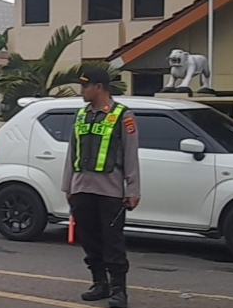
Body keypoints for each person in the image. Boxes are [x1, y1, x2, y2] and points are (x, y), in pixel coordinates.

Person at [61, 68, 141, 308]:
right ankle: (99, 283)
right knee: (89, 240)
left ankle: (119, 291)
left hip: (110, 191)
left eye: (85, 86)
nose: (82, 91)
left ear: (99, 87)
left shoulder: (123, 115)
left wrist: (133, 190)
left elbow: (130, 153)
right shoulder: (81, 115)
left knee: (112, 242)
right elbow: (72, 152)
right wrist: (68, 186)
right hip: (82, 189)